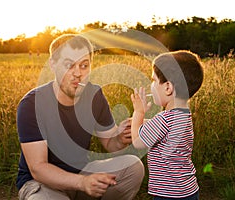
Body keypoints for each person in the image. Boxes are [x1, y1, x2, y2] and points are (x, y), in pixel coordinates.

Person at [16, 34, 144, 200]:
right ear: (53, 65)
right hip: (42, 184)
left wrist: (121, 137)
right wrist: (82, 182)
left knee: (133, 167)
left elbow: (111, 144)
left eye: (84, 65)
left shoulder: (94, 95)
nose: (78, 73)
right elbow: (38, 168)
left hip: (82, 173)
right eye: (69, 65)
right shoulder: (32, 104)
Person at [130, 50, 204, 200]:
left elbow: (137, 142)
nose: (151, 85)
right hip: (188, 190)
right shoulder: (184, 115)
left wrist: (138, 113)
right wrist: (143, 123)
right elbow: (164, 131)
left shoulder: (164, 119)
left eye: (154, 80)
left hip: (168, 194)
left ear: (168, 87)